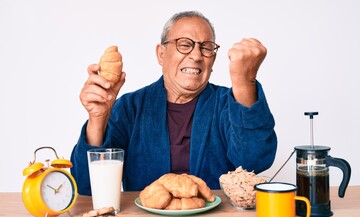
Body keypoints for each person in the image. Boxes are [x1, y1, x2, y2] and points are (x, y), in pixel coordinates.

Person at [71, 11, 277, 196]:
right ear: (161, 54)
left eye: (206, 48)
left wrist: (244, 81)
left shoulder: (227, 104)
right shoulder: (130, 107)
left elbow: (254, 162)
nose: (196, 56)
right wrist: (98, 119)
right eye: (185, 44)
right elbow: (86, 186)